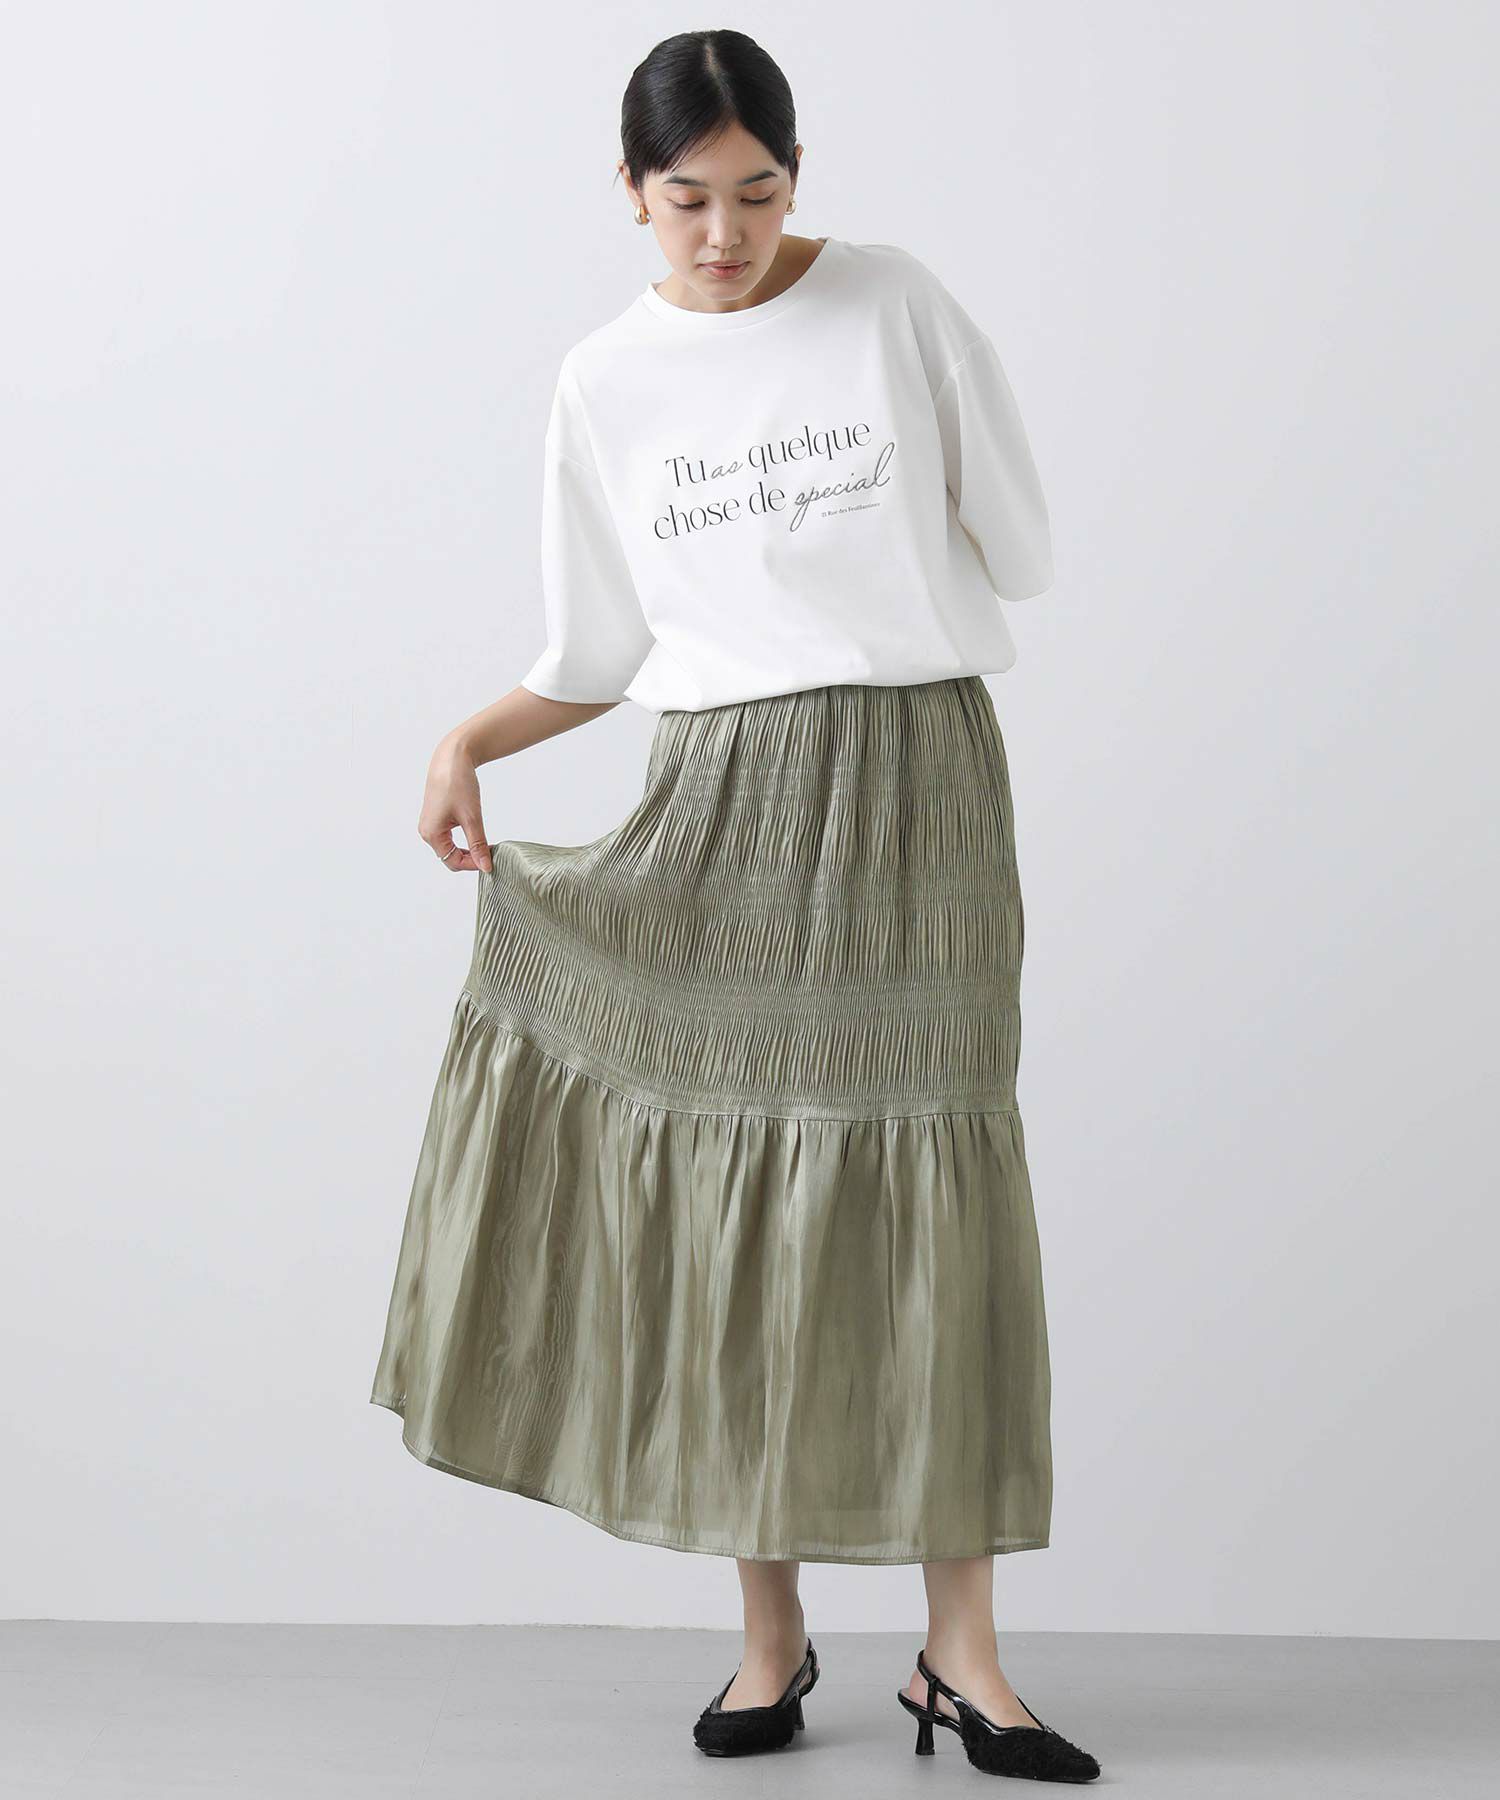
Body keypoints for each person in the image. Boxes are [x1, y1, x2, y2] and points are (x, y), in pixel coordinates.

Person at [369, 27, 1101, 1783]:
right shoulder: (604, 382)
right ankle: (771, 1641)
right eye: (687, 199)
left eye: (759, 194)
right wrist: (468, 738)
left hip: (920, 792)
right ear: (629, 191)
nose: (724, 235)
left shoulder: (895, 304)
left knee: (930, 1199)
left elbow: (1024, 551)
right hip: (721, 806)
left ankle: (964, 1658)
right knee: (741, 1204)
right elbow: (598, 654)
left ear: (798, 177)